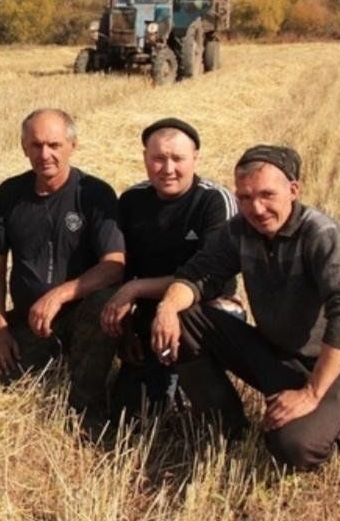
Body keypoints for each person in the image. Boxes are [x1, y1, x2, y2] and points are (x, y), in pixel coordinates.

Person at [150, 145, 340, 470]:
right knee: (185, 316)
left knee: (294, 447)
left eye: (267, 194)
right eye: (244, 197)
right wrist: (167, 307)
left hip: (332, 367)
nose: (256, 208)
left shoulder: (321, 236)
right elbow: (198, 275)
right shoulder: (239, 230)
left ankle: (324, 417)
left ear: (293, 190)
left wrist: (311, 393)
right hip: (275, 353)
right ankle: (225, 427)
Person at [0, 108, 125, 424]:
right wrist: (0, 331)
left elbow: (114, 265)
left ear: (72, 146)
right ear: (24, 147)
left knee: (105, 302)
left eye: (54, 145)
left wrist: (59, 295)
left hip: (81, 314)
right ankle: (49, 356)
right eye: (35, 145)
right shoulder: (8, 194)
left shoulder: (95, 194)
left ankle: (85, 410)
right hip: (30, 320)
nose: (44, 154)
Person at [100, 118, 241, 419]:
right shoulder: (131, 200)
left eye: (177, 159)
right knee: (129, 415)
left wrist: (136, 288)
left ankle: (202, 380)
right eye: (158, 158)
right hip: (150, 316)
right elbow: (122, 269)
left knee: (209, 418)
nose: (167, 169)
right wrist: (126, 329)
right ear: (145, 159)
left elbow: (212, 275)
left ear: (195, 159)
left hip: (202, 312)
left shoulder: (215, 200)